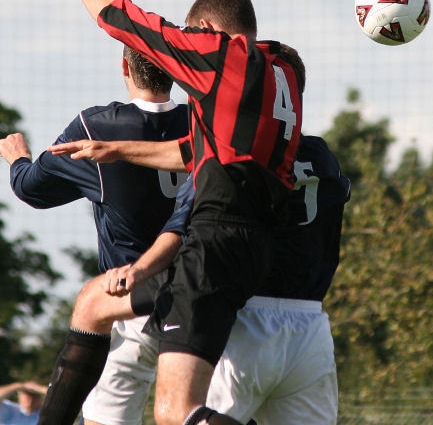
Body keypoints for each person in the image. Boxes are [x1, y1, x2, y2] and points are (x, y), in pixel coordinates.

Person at [55, 0, 305, 425]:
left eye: (195, 36)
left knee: (175, 413)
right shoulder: (283, 73)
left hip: (214, 242)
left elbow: (134, 26)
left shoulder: (223, 58)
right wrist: (118, 150)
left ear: (208, 32)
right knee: (93, 304)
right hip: (253, 248)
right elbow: (201, 154)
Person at [46, 133, 350, 425]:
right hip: (309, 327)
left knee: (179, 411)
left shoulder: (229, 154)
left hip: (241, 319)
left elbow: (182, 228)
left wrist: (140, 270)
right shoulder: (323, 156)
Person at [0, 47, 188, 425]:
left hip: (124, 302)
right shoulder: (204, 124)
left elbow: (32, 189)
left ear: (124, 66)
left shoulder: (96, 128)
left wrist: (17, 159)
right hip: (197, 300)